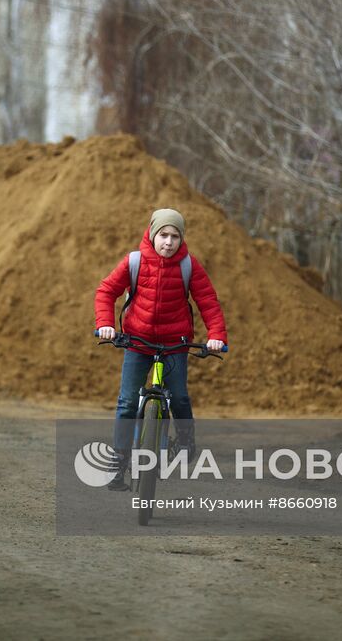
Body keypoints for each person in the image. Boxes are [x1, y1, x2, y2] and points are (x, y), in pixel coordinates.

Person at [94, 207, 227, 491]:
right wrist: (106, 324)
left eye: (175, 236)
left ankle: (186, 440)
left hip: (175, 345)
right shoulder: (134, 261)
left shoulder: (189, 266)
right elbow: (106, 291)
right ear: (153, 234)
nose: (168, 242)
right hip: (137, 342)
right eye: (163, 235)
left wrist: (216, 335)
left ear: (182, 239)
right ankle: (119, 461)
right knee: (127, 402)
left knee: (178, 397)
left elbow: (209, 303)